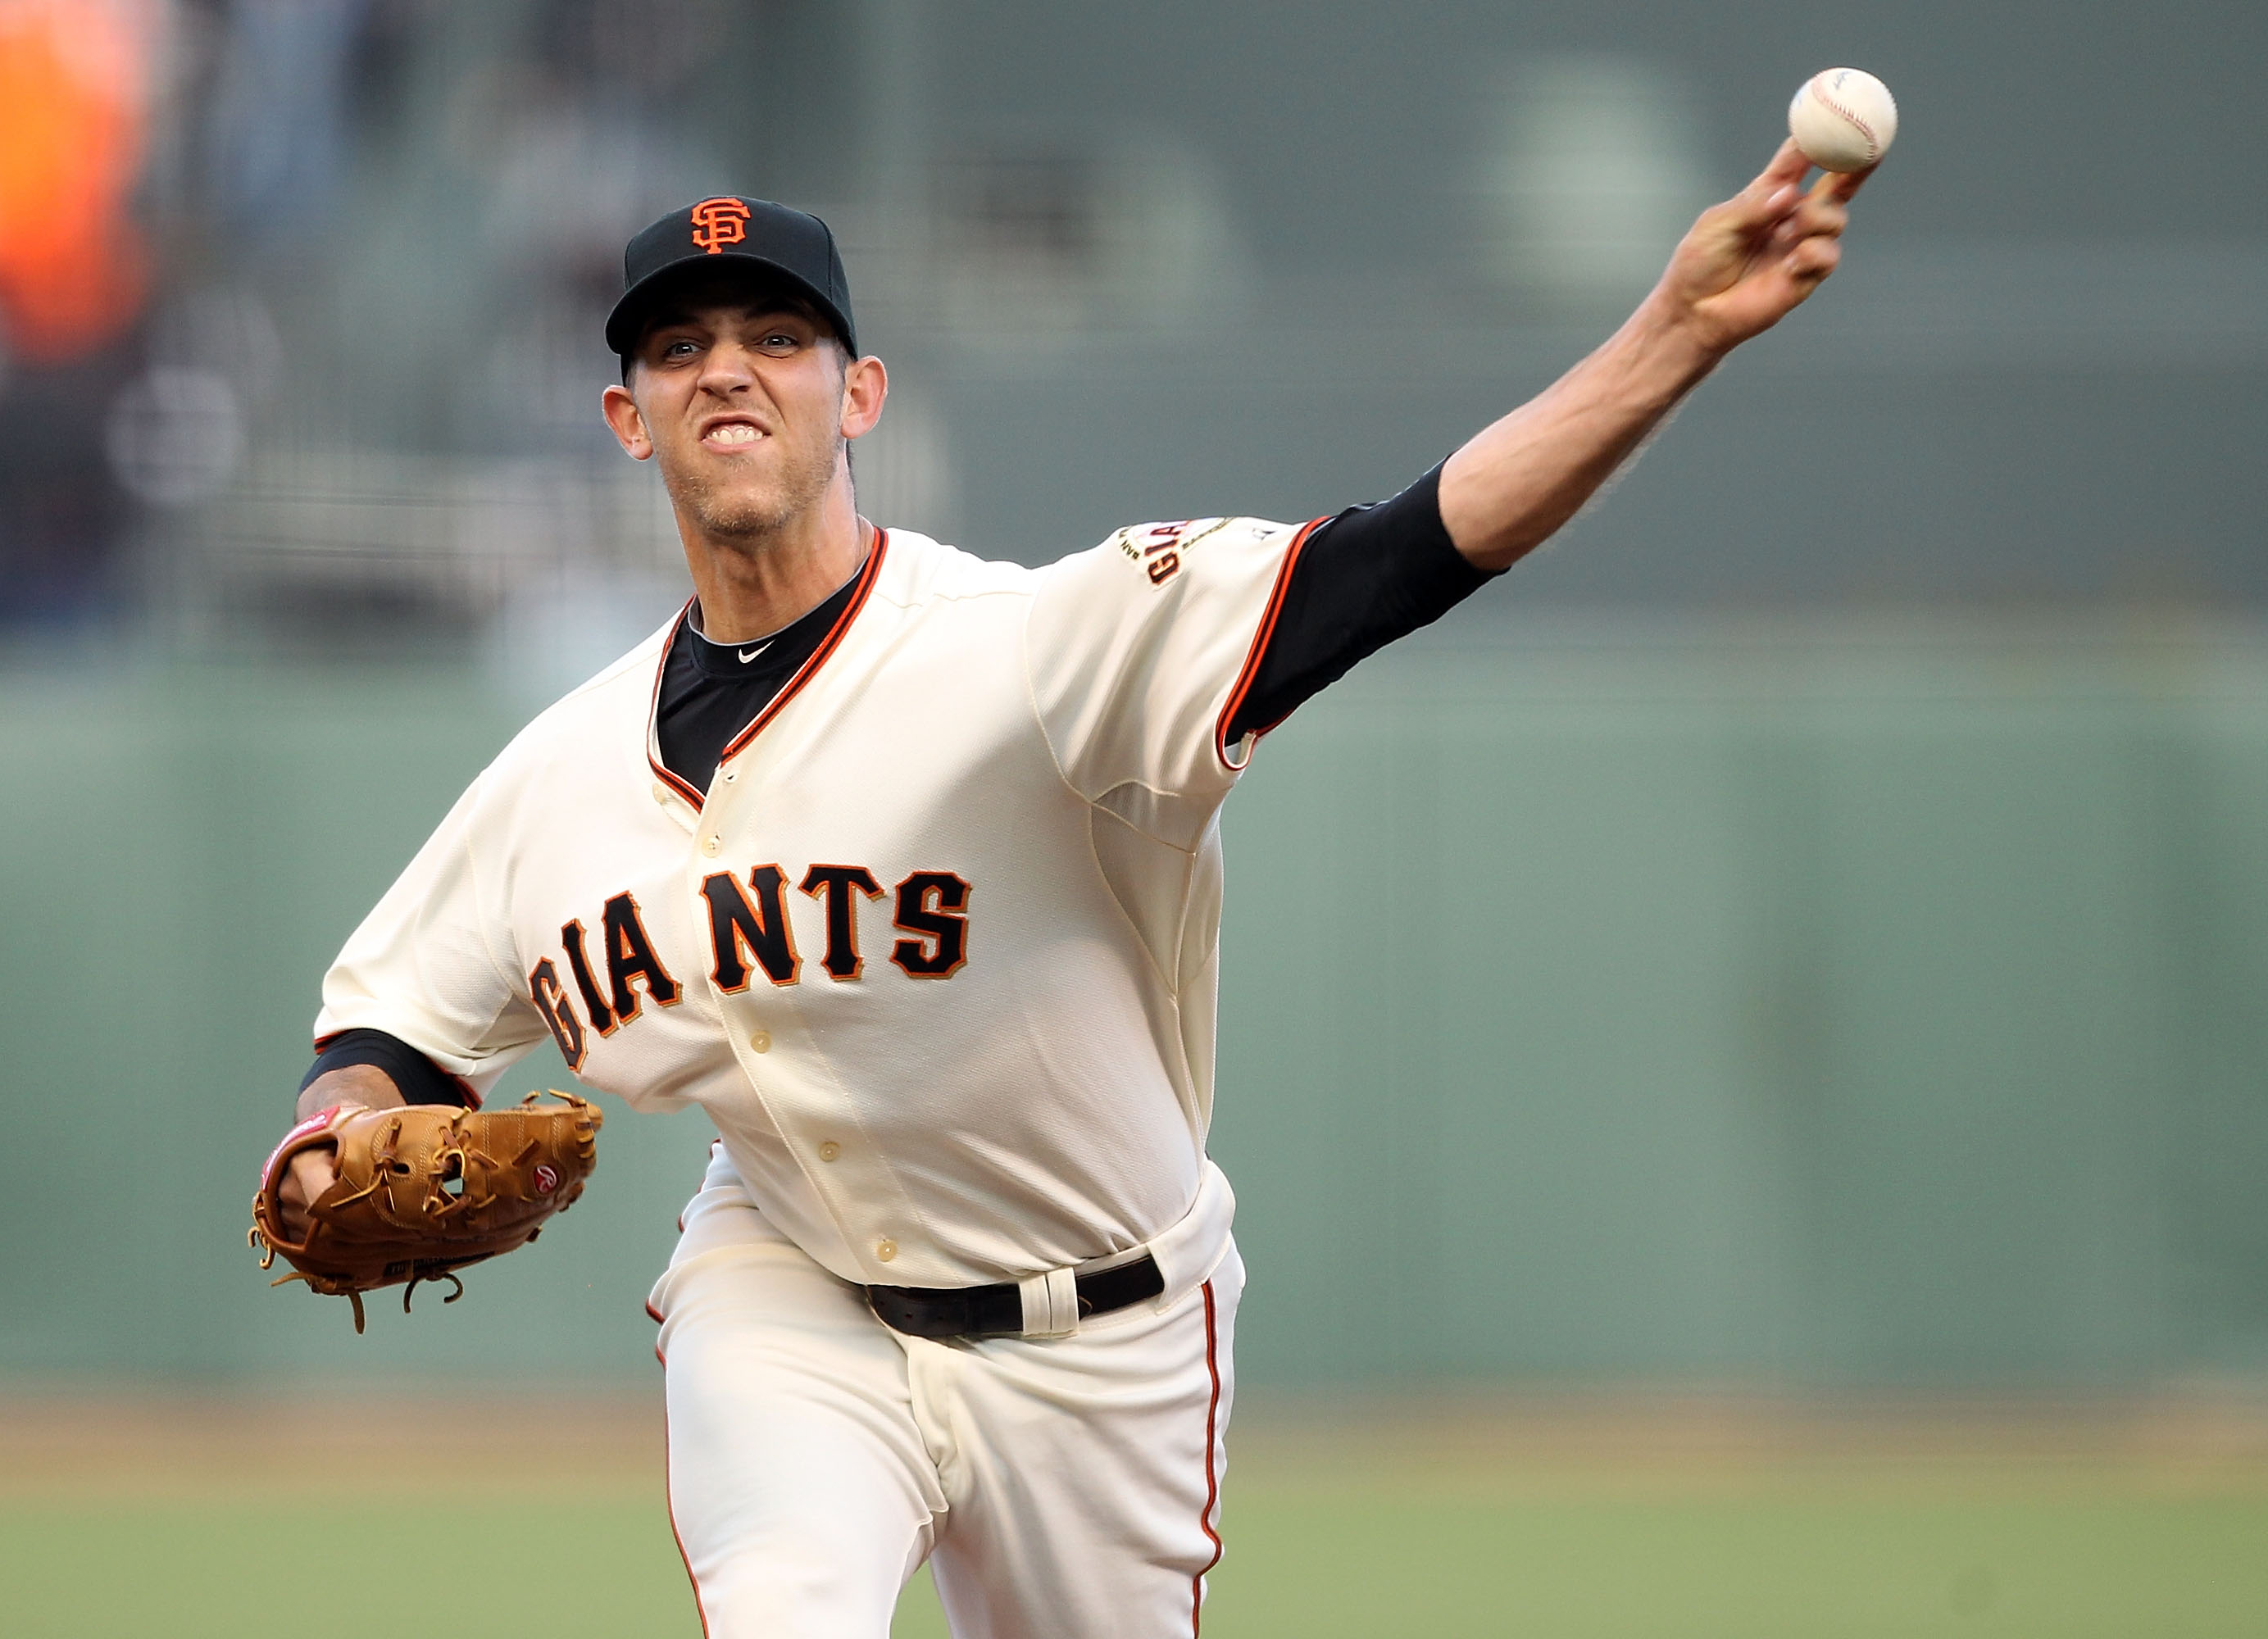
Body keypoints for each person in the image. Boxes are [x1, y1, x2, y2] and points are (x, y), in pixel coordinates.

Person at [272, 144, 1864, 1637]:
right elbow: (394, 1030)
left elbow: (1398, 557)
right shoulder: (560, 775)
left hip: (1107, 1331)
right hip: (794, 1291)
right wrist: (334, 1134)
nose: (728, 368)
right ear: (628, 415)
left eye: (777, 333)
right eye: (679, 348)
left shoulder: (1034, 646)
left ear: (861, 393)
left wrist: (1673, 332)